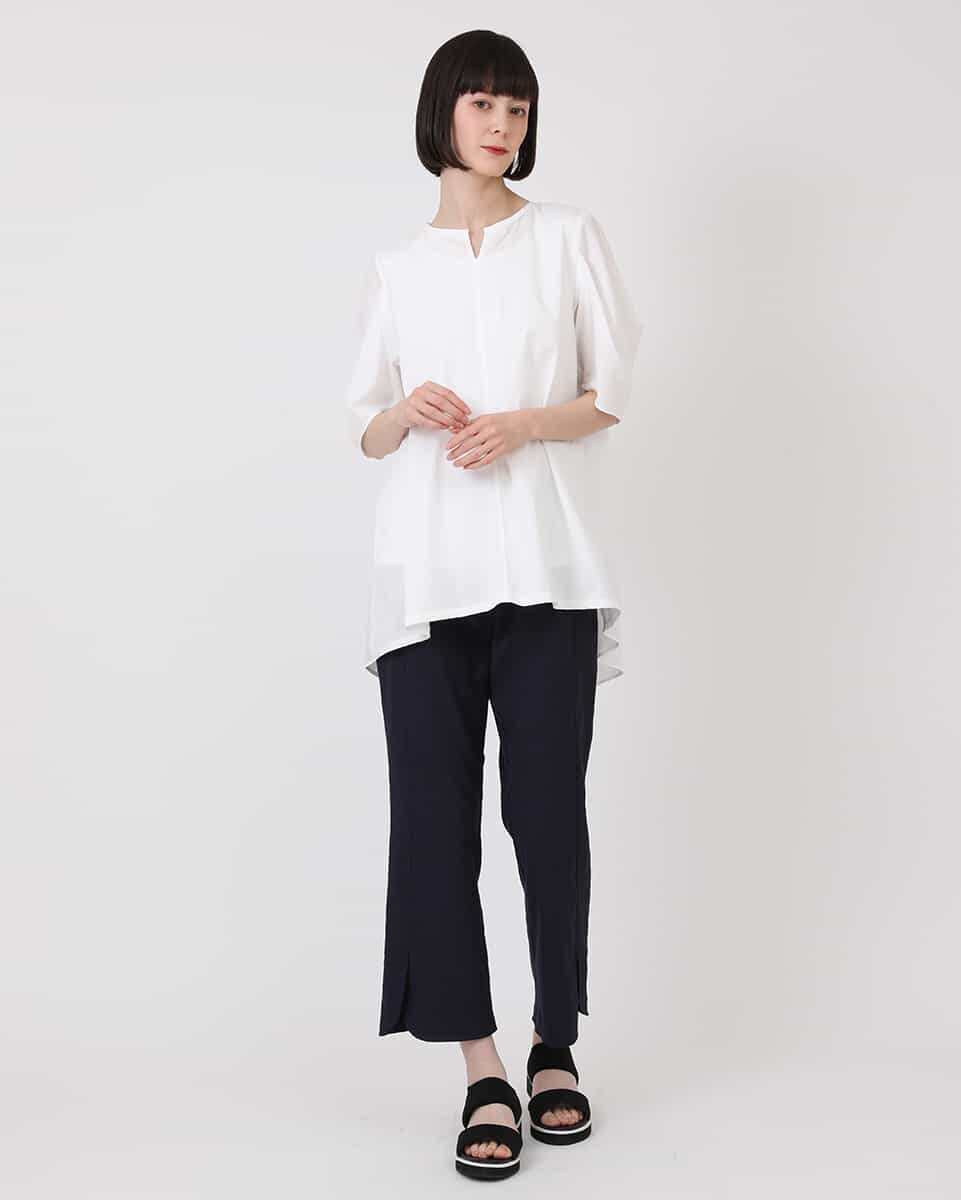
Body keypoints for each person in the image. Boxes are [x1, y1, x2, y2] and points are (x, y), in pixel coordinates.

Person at [344, 29, 643, 1182]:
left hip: (545, 572)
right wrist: (405, 410)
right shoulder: (396, 268)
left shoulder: (565, 238)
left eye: (516, 107)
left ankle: (553, 1043)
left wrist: (521, 423)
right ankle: (480, 1068)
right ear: (443, 113)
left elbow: (609, 392)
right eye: (482, 104)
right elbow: (367, 429)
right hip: (423, 583)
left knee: (546, 816)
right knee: (431, 825)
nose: (502, 125)